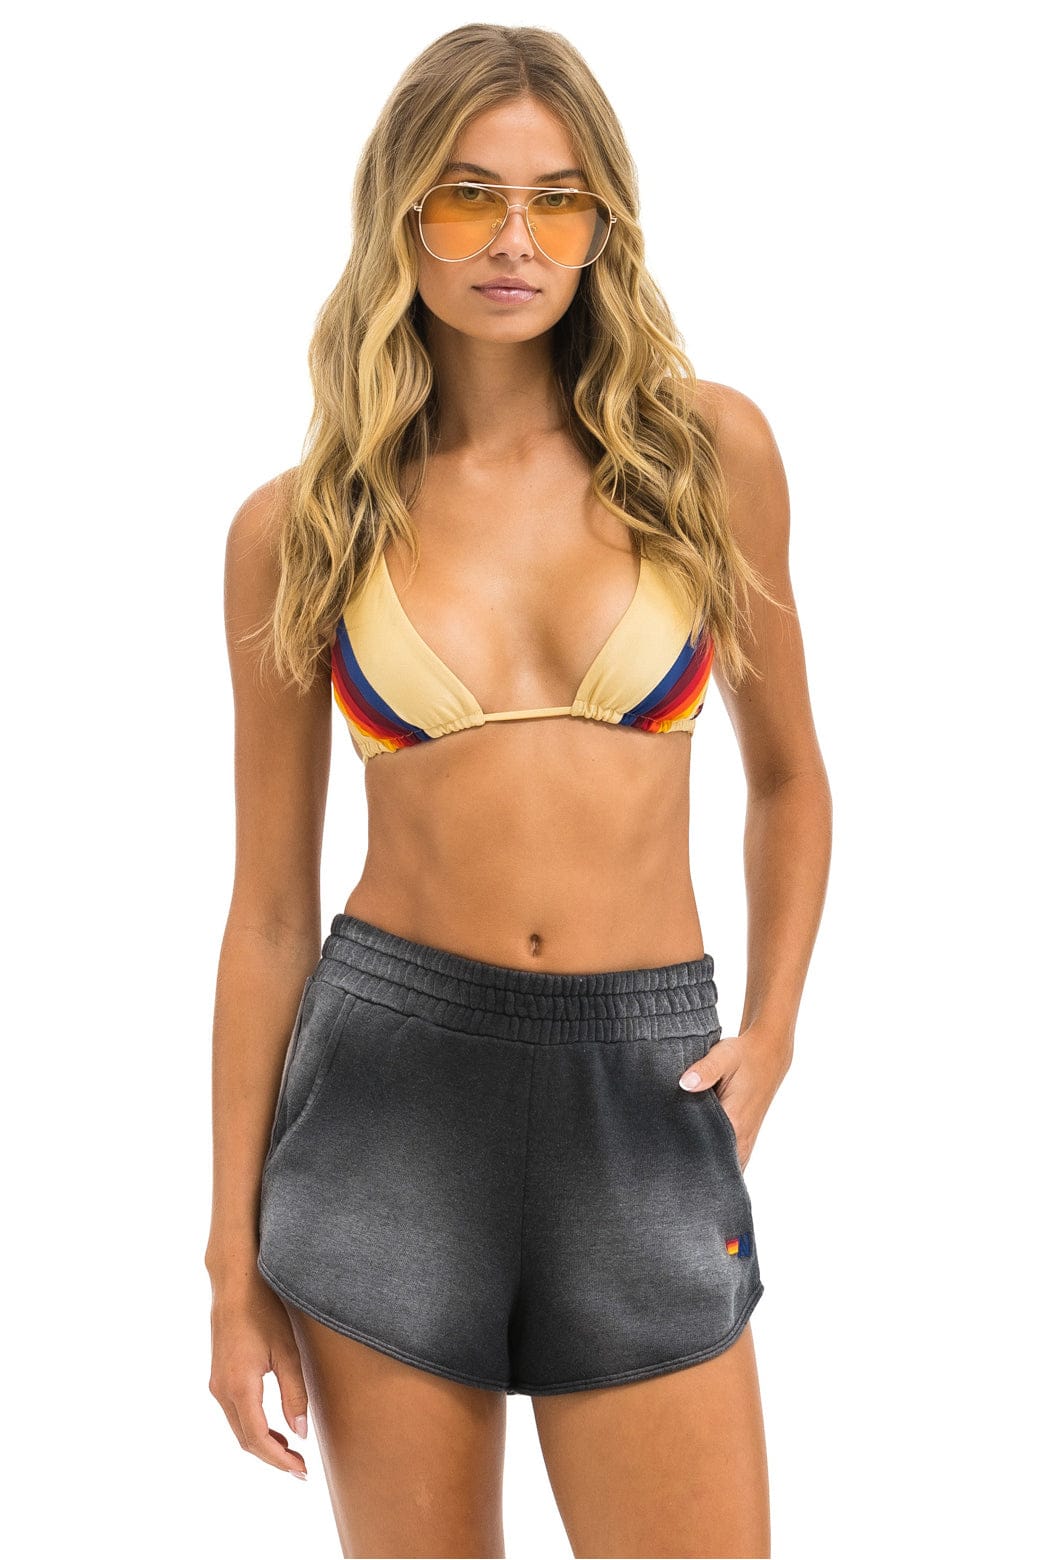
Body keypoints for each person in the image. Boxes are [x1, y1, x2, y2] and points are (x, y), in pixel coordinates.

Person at [205, 22, 831, 1560]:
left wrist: (772, 1033)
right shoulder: (301, 527)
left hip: (644, 1092)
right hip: (388, 1102)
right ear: (400, 213)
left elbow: (790, 781)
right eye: (469, 195)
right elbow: (271, 912)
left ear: (603, 223)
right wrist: (228, 1266)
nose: (513, 240)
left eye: (557, 201)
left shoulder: (707, 454)